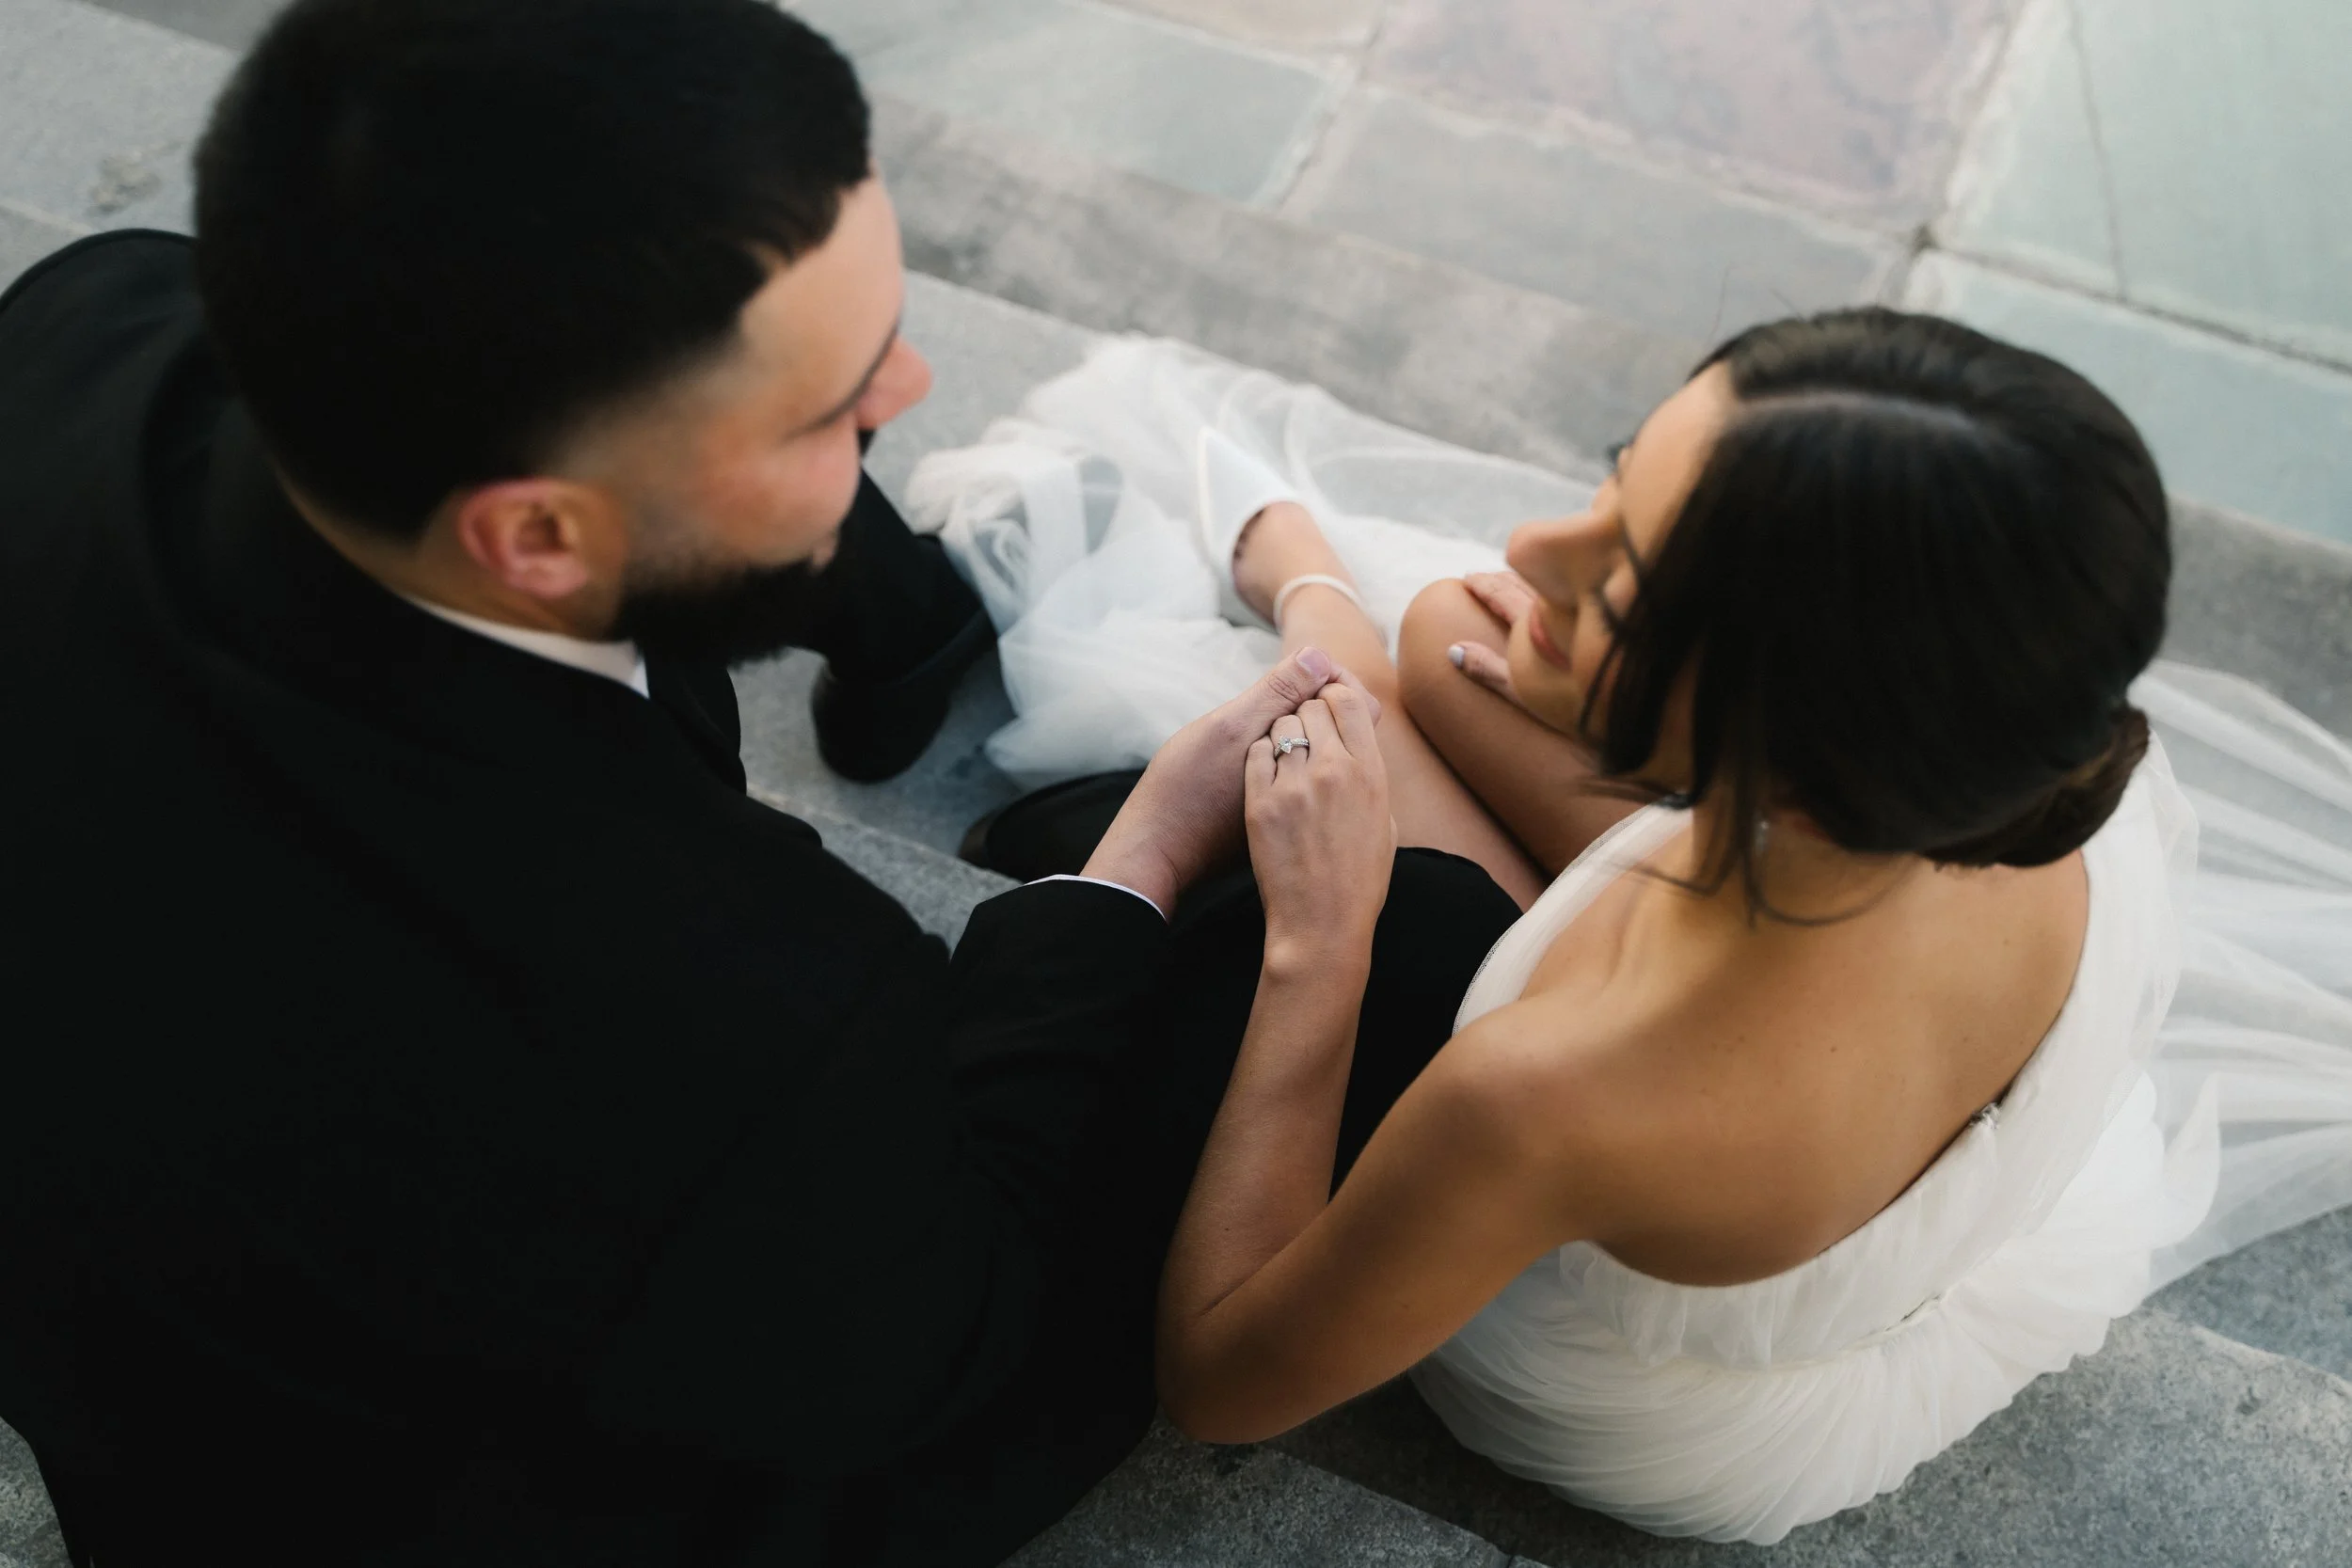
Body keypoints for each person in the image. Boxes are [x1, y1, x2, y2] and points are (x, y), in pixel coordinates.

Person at [0, 2, 1449, 1563]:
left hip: (130, 1383)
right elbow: (945, 1336)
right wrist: (1144, 858)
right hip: (422, 1492)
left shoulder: (85, 323)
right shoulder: (753, 1015)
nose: (913, 380)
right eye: (835, 406)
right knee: (1418, 930)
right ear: (537, 537)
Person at [930, 310, 2352, 1544]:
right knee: (1440, 634)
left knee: (1392, 743)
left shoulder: (1542, 1091)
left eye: (1619, 583)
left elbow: (1219, 1376)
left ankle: (1301, 613)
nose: (1536, 543)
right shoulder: (2040, 778)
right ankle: (1319, 619)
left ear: (1780, 754)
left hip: (1624, 1372)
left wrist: (1323, 939)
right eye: (1617, 477)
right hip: (1792, 1060)